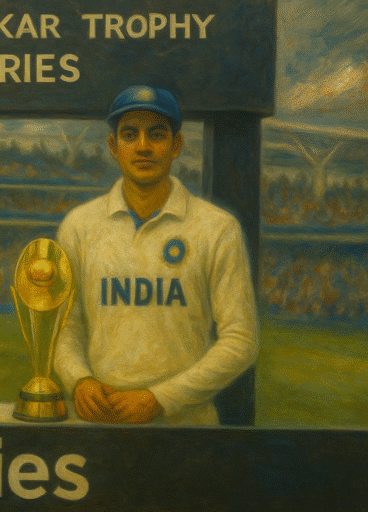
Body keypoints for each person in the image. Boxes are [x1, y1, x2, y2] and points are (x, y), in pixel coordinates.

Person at [54, 85, 259, 425]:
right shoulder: (80, 225)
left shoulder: (217, 227)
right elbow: (64, 325)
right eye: (130, 135)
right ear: (113, 147)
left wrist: (161, 398)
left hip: (185, 425)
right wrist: (79, 379)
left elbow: (242, 340)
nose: (144, 147)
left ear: (176, 145)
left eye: (157, 134)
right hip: (98, 421)